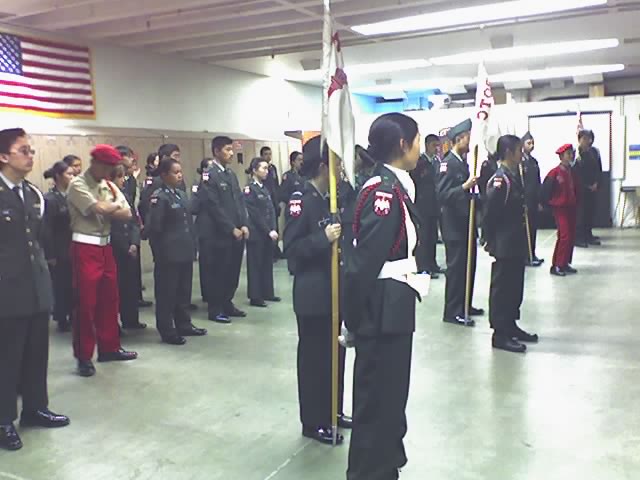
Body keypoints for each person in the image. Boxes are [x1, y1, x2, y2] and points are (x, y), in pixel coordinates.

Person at [344, 113, 425, 480]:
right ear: (403, 145)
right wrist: (352, 319)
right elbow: (362, 264)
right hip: (380, 308)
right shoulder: (383, 192)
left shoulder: (397, 185)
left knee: (391, 398)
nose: (422, 149)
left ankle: (386, 464)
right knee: (377, 401)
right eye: (419, 141)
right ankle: (369, 471)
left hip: (394, 303)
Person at [0, 128, 70, 452]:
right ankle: (3, 421)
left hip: (36, 286)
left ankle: (34, 408)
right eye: (23, 150)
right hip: (6, 291)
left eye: (31, 149)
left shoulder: (33, 194)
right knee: (7, 357)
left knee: (36, 354)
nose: (30, 155)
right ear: (3, 156)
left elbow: (38, 241)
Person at [283, 135, 350, 446]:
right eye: (335, 163)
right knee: (314, 361)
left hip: (333, 292)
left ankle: (333, 410)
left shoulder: (328, 198)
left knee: (334, 354)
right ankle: (314, 421)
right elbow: (291, 249)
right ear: (324, 166)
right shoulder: (303, 200)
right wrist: (322, 238)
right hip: (312, 294)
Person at [66, 145, 138, 377]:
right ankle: (84, 356)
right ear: (96, 163)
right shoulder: (78, 184)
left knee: (110, 299)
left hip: (105, 247)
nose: (110, 171)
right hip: (85, 247)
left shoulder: (108, 185)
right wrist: (112, 206)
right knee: (86, 304)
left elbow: (128, 213)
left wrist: (110, 208)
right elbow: (96, 207)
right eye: (107, 167)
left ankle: (109, 347)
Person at [483, 135, 539, 354]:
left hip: (516, 242)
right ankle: (500, 333)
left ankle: (511, 325)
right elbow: (490, 215)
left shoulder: (515, 176)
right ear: (508, 153)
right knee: (502, 289)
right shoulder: (500, 180)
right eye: (518, 150)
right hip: (504, 243)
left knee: (515, 287)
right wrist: (491, 240)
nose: (521, 154)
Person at [145, 158, 207, 345]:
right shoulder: (159, 196)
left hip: (184, 250)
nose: (180, 175)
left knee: (183, 291)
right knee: (167, 294)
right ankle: (167, 329)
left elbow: (187, 222)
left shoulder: (180, 194)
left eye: (180, 171)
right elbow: (155, 228)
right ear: (164, 175)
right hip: (169, 253)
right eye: (175, 172)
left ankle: (184, 324)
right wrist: (161, 253)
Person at [437, 118, 483, 327]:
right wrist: (465, 186)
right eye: (467, 137)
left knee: (468, 265)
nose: (470, 141)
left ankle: (465, 303)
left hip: (466, 223)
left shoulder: (463, 161)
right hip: (454, 225)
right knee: (456, 269)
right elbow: (443, 194)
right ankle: (452, 310)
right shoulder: (448, 163)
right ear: (459, 139)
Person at [199, 136, 249, 323]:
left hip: (236, 232)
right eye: (227, 149)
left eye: (231, 149)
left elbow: (238, 202)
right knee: (218, 272)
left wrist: (243, 223)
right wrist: (230, 228)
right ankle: (216, 308)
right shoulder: (209, 175)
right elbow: (213, 206)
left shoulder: (230, 175)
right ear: (216, 151)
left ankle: (227, 302)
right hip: (218, 234)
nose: (231, 153)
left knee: (232, 271)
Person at [109, 164, 146, 331]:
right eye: (119, 176)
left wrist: (134, 242)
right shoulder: (103, 199)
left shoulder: (124, 196)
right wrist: (124, 246)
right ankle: (113, 326)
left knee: (130, 287)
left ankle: (131, 319)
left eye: (124, 176)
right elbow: (107, 227)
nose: (123, 180)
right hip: (114, 249)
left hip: (129, 248)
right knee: (114, 290)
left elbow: (134, 222)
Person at [117, 146, 152, 309]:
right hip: (117, 240)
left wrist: (134, 239)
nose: (133, 160)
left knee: (132, 276)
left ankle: (132, 311)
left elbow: (133, 211)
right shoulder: (109, 188)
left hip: (131, 232)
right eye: (129, 157)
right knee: (121, 281)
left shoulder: (130, 179)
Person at [43, 161, 75, 333]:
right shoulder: (50, 199)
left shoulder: (72, 195)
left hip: (73, 246)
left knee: (73, 284)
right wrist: (51, 254)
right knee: (61, 284)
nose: (72, 177)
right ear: (58, 176)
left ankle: (72, 313)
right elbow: (47, 228)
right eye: (69, 174)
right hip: (59, 248)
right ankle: (62, 317)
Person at [245, 157, 280, 307]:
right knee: (255, 264)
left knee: (267, 263)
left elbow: (270, 210)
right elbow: (255, 214)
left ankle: (267, 292)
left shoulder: (264, 188)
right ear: (254, 170)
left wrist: (273, 228)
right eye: (263, 168)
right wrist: (268, 230)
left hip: (267, 232)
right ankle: (255, 296)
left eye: (267, 168)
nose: (266, 171)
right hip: (257, 232)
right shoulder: (250, 189)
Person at [542, 144, 580, 277]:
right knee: (564, 236)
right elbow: (546, 190)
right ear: (561, 156)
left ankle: (565, 263)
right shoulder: (554, 173)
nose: (570, 156)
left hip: (572, 207)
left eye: (571, 154)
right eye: (568, 154)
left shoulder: (572, 172)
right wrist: (546, 204)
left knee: (571, 236)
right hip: (560, 208)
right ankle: (557, 264)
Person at [411, 133, 443, 278]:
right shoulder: (419, 162)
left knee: (432, 237)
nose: (437, 148)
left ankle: (432, 264)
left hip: (434, 206)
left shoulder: (437, 162)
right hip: (422, 206)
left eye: (438, 145)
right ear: (427, 145)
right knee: (423, 239)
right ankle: (423, 267)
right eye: (434, 145)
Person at [575, 129, 603, 247]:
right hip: (581, 189)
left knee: (590, 213)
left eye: (590, 138)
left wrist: (596, 183)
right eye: (585, 138)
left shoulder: (594, 152)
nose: (588, 141)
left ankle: (588, 235)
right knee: (581, 214)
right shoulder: (576, 153)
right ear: (580, 139)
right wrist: (586, 186)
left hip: (593, 188)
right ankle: (579, 238)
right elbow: (576, 173)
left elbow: (598, 169)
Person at [521, 132, 544, 266]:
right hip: (525, 201)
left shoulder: (533, 162)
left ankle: (532, 253)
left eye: (532, 143)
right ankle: (525, 256)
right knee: (525, 230)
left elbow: (537, 182)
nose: (532, 145)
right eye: (529, 143)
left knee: (533, 228)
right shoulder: (520, 163)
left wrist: (540, 200)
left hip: (534, 200)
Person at [193, 158, 214, 303]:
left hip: (218, 228)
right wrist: (203, 187)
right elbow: (194, 206)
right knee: (206, 263)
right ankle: (207, 293)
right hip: (205, 227)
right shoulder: (198, 185)